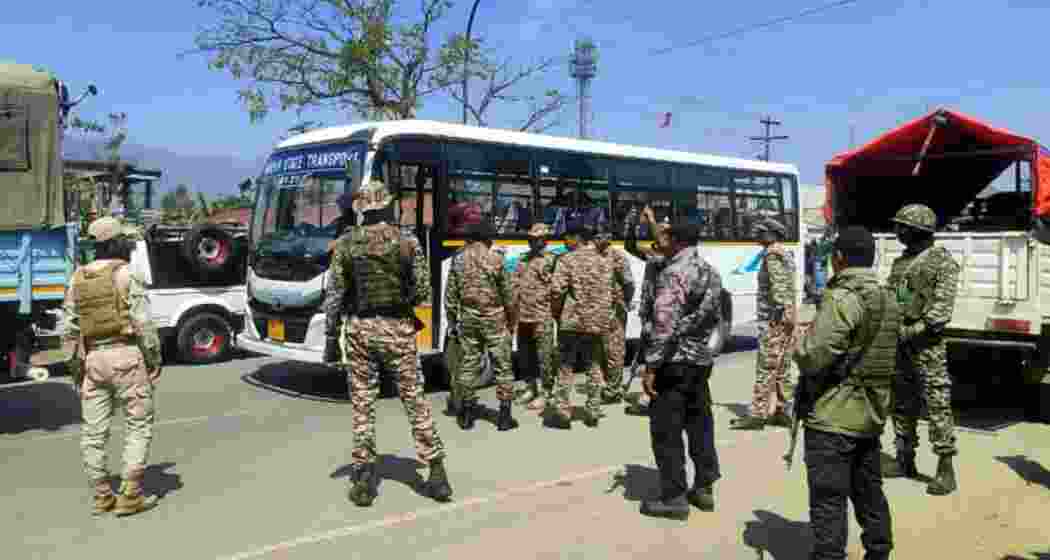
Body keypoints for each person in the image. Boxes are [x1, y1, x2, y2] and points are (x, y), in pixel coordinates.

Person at [323, 179, 452, 507]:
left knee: (363, 404)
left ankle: (365, 478)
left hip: (360, 330)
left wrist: (329, 337)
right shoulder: (407, 242)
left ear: (362, 208)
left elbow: (335, 295)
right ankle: (436, 473)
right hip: (398, 329)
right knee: (414, 399)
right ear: (387, 205)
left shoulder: (347, 243)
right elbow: (422, 290)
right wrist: (400, 305)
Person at [793, 225, 899, 560]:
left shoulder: (843, 298)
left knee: (828, 496)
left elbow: (813, 356)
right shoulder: (887, 297)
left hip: (833, 415)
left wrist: (799, 341)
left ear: (838, 259)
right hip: (870, 413)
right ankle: (879, 551)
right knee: (869, 489)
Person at [64, 216, 163, 517]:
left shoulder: (77, 278)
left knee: (94, 432)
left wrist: (75, 369)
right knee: (138, 424)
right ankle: (130, 495)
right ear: (117, 243)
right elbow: (143, 323)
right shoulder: (126, 274)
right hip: (125, 356)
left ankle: (102, 494)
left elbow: (68, 330)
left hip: (93, 360)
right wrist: (154, 360)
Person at [638, 223, 724, 520]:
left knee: (666, 430)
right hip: (700, 362)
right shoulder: (709, 270)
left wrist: (651, 366)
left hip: (673, 363)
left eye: (665, 235)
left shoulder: (675, 272)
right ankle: (704, 487)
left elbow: (664, 323)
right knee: (700, 424)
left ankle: (674, 496)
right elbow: (715, 314)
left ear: (676, 240)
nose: (660, 239)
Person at [883, 203, 960, 495]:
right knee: (901, 403)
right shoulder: (902, 262)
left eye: (902, 227)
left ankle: (945, 468)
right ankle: (904, 459)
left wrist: (911, 331)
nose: (898, 231)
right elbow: (895, 299)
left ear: (918, 229)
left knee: (937, 404)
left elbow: (941, 312)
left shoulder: (942, 262)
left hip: (927, 345)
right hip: (900, 344)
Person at [444, 220, 519, 432]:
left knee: (468, 363)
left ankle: (466, 414)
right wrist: (512, 323)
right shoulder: (496, 259)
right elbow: (509, 297)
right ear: (488, 238)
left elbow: (450, 297)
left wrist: (452, 323)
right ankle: (504, 416)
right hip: (495, 319)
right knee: (503, 366)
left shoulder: (458, 260)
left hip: (468, 319)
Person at [732, 217, 798, 430]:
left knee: (767, 366)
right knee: (782, 367)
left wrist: (778, 318)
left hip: (774, 320)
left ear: (771, 234)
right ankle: (783, 410)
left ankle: (758, 413)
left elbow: (779, 289)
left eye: (760, 232)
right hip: (784, 319)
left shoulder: (772, 255)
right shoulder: (783, 252)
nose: (756, 235)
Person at [547, 225, 614, 429]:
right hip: (596, 323)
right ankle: (593, 410)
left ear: (577, 238)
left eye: (567, 238)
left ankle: (563, 412)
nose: (564, 243)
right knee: (593, 364)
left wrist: (557, 314)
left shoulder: (567, 260)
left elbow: (557, 291)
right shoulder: (604, 260)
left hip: (572, 322)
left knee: (565, 366)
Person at [623, 205, 672, 415]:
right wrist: (633, 224)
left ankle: (649, 399)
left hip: (662, 314)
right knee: (651, 354)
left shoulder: (669, 258)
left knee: (656, 356)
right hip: (650, 313)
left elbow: (662, 244)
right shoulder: (654, 254)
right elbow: (630, 246)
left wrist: (651, 219)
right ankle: (652, 396)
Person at [512, 223, 559, 412]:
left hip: (542, 315)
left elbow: (558, 289)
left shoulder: (553, 260)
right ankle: (530, 387)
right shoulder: (523, 259)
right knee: (525, 356)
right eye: (530, 238)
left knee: (544, 356)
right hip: (523, 316)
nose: (532, 241)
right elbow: (515, 284)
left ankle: (546, 392)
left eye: (536, 238)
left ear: (545, 240)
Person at [595, 225, 636, 405]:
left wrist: (624, 302)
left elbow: (628, 283)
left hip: (614, 309)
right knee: (599, 350)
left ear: (608, 236)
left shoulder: (617, 256)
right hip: (596, 310)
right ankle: (604, 385)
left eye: (599, 235)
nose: (595, 239)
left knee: (614, 350)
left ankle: (614, 389)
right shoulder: (592, 255)